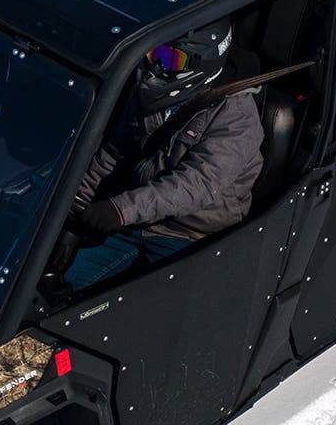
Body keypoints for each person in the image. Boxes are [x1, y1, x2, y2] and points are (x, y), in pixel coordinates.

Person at [65, 21, 264, 291]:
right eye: (153, 54)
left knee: (145, 305)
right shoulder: (150, 93)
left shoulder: (237, 118)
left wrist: (120, 210)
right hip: (135, 217)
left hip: (189, 234)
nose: (155, 66)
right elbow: (116, 151)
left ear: (202, 62)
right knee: (65, 283)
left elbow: (196, 185)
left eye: (170, 59)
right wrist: (75, 199)